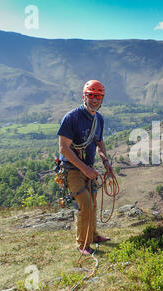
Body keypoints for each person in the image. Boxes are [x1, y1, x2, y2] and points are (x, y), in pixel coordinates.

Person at [57, 80, 113, 255]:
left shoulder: (99, 119)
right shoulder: (71, 118)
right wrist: (85, 169)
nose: (95, 99)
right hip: (72, 170)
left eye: (98, 96)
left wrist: (105, 161)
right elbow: (64, 148)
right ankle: (82, 244)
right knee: (86, 205)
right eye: (91, 95)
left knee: (93, 204)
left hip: (88, 168)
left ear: (102, 98)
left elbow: (99, 142)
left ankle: (93, 235)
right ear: (84, 96)